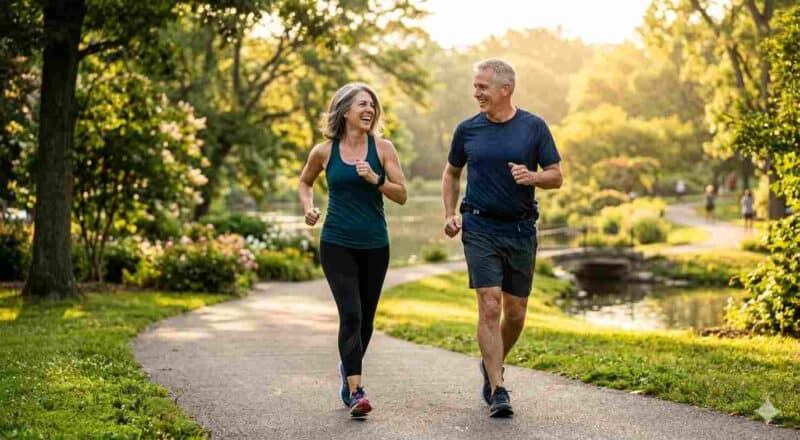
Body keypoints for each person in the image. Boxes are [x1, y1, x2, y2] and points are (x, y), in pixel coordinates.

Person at [442, 59, 562, 418]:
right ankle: (498, 388)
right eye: (475, 86)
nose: (476, 92)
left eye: (482, 86)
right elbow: (451, 173)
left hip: (521, 228)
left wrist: (532, 177)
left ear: (505, 89)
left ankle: (491, 362)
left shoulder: (534, 127)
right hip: (479, 226)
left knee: (516, 312)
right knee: (489, 304)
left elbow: (556, 176)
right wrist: (449, 213)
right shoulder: (467, 130)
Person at [298, 83, 408, 419]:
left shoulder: (383, 148)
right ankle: (356, 391)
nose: (369, 110)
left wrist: (375, 178)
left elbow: (401, 194)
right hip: (336, 243)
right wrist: (309, 208)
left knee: (367, 321)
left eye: (373, 105)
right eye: (362, 104)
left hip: (375, 245)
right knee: (351, 314)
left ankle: (348, 369)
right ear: (344, 110)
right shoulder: (324, 151)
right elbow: (305, 182)